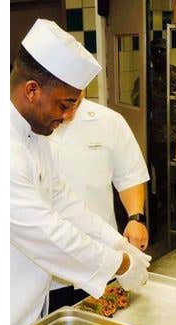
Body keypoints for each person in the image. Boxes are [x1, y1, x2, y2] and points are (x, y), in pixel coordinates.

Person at [10, 19, 151, 325]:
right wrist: (120, 264)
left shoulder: (35, 137)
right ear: (32, 90)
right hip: (9, 313)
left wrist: (119, 245)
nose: (66, 116)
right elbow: (49, 232)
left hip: (32, 307)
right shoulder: (9, 147)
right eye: (64, 105)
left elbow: (63, 203)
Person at [47, 92, 150, 310]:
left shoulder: (109, 121)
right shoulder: (31, 127)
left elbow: (130, 175)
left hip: (101, 252)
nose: (68, 111)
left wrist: (135, 218)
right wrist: (121, 262)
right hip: (45, 271)